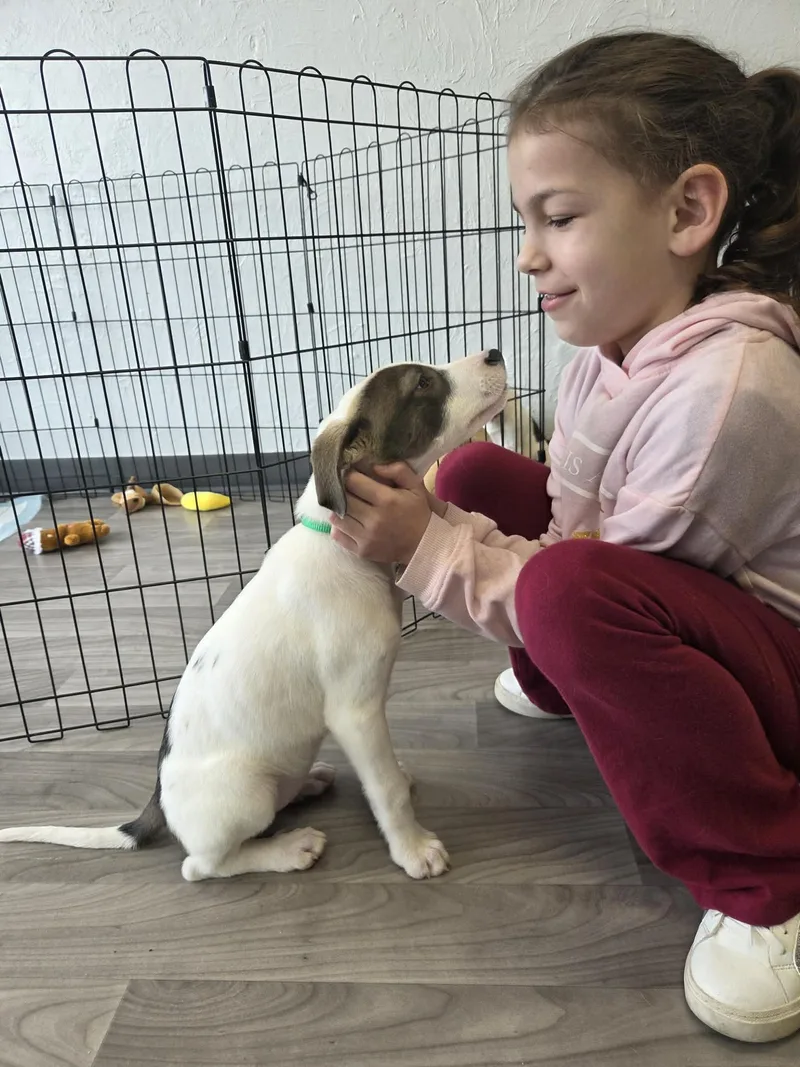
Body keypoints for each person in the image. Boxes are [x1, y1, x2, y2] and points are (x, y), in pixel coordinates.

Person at [329, 30, 800, 1044]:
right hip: (677, 599)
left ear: (686, 211)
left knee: (561, 595)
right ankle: (561, 682)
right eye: (524, 220)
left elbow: (604, 582)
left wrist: (428, 551)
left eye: (559, 217)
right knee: (476, 473)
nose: (527, 252)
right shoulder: (610, 335)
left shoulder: (729, 389)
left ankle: (766, 876)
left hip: (776, 664)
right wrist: (453, 515)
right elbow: (577, 523)